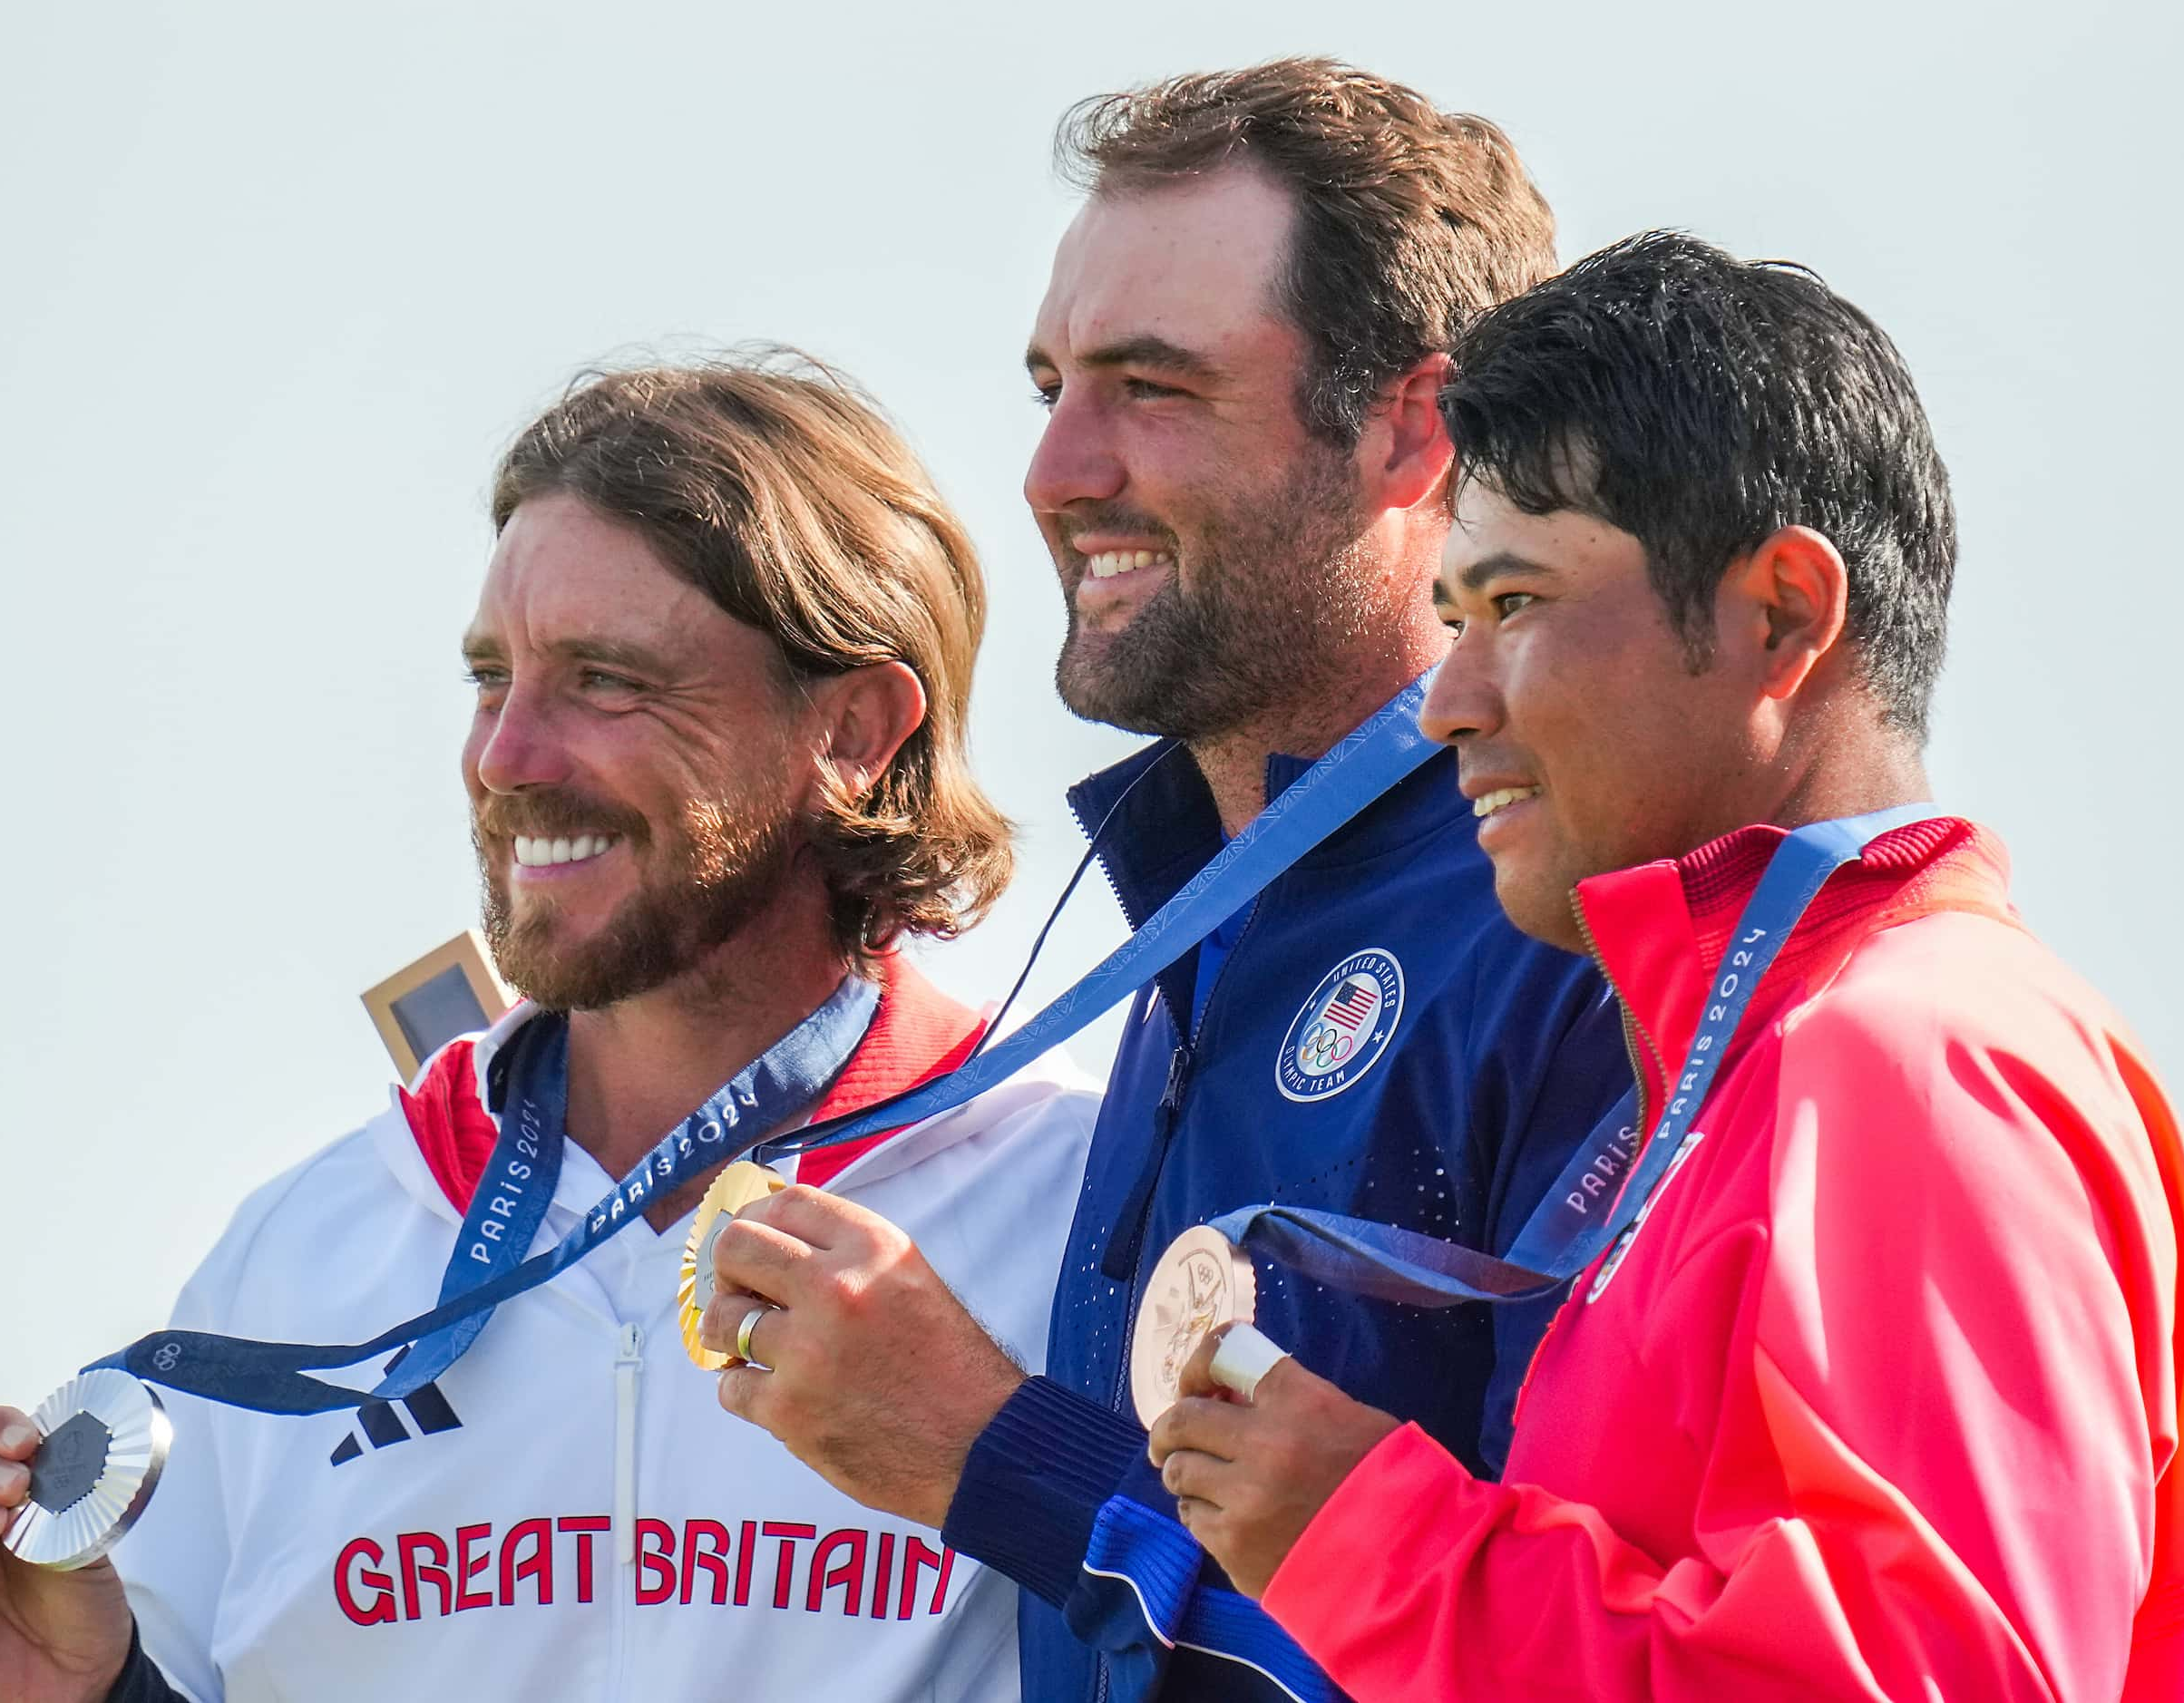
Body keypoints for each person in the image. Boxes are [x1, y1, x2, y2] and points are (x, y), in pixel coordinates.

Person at [1144, 231, 2184, 1700]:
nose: (1445, 702)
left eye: (1514, 606)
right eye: (1451, 618)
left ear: (1782, 618)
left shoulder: (1909, 1054)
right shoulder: (1830, 1049)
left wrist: (1372, 1542)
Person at [0, 356, 1098, 1703]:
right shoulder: (303, 1252)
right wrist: (95, 1696)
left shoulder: (1080, 1205)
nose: (506, 755)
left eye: (604, 680)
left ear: (853, 729)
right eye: (488, 677)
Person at [691, 60, 1633, 1702]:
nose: (1059, 468)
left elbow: (1562, 1660)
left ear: (1414, 428)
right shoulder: (1211, 922)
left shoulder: (1558, 930)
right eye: (1051, 381)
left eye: (1154, 386)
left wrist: (991, 1451)